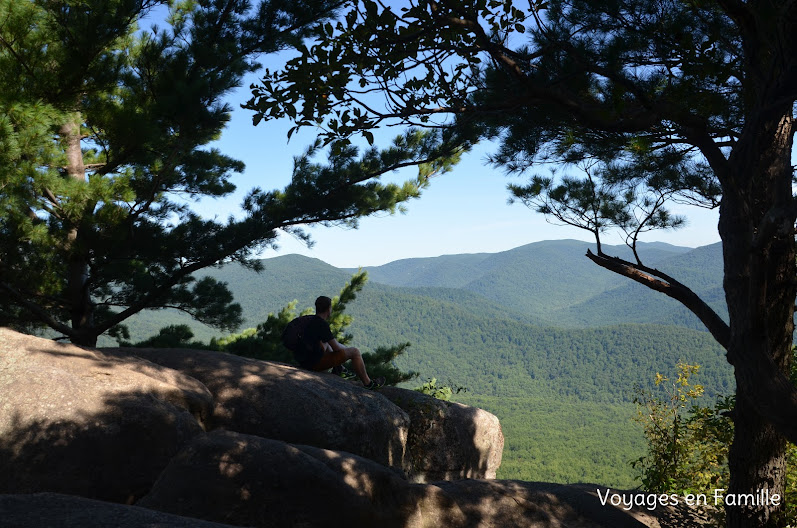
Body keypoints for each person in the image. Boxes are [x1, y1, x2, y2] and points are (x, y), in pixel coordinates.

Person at [282, 296, 385, 389]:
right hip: (313, 364)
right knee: (355, 352)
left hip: (303, 360)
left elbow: (326, 344)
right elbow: (336, 348)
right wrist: (347, 349)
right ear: (328, 309)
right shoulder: (322, 325)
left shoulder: (310, 320)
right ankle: (368, 384)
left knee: (325, 344)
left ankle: (339, 368)